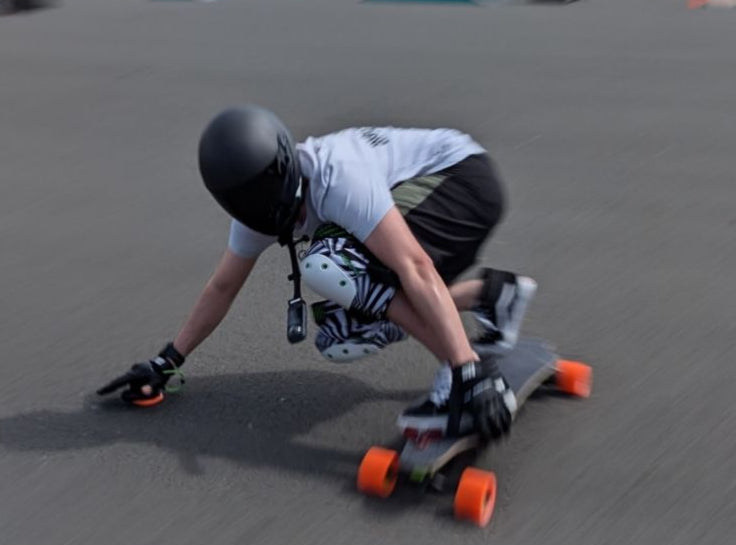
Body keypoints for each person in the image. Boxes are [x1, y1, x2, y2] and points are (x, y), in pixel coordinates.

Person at [97, 105, 537, 441]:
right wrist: (167, 361)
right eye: (241, 200)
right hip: (434, 205)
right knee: (346, 332)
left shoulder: (338, 177)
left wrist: (466, 370)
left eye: (260, 192)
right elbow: (223, 287)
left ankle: (463, 374)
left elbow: (415, 267)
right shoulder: (257, 212)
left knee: (333, 265)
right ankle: (491, 296)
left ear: (283, 166)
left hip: (462, 183)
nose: (256, 207)